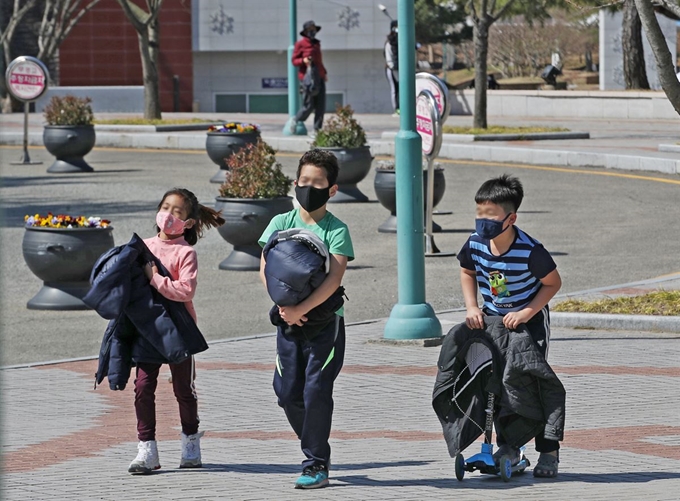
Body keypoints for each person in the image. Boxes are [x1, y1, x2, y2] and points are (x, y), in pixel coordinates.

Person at [258, 149, 354, 489]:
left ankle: (315, 462)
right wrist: (286, 307)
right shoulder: (280, 223)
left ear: (332, 190)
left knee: (315, 390)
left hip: (325, 324)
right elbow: (266, 267)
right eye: (304, 181)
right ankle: (316, 448)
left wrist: (303, 309)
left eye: (317, 182)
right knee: (286, 392)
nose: (309, 187)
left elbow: (334, 279)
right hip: (286, 321)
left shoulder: (336, 229)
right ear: (295, 183)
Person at [456, 174, 563, 479]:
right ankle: (509, 447)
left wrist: (527, 312)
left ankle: (549, 451)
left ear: (511, 218)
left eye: (491, 216)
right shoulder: (475, 243)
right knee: (498, 384)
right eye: (479, 215)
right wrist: (472, 306)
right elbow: (466, 271)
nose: (483, 222)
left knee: (534, 385)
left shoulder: (530, 250)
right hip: (493, 323)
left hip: (529, 325)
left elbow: (553, 283)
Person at [128, 188, 225, 474]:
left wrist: (155, 279)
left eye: (177, 212)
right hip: (147, 329)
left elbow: (185, 290)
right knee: (143, 387)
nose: (168, 215)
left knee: (183, 389)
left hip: (179, 330)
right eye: (165, 207)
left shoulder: (186, 252)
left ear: (189, 222)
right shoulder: (142, 247)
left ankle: (190, 443)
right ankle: (147, 449)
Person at [291, 20, 328, 134]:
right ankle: (296, 119)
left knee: (320, 105)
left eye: (314, 29)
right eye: (310, 29)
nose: (312, 32)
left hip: (319, 77)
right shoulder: (300, 44)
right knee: (309, 105)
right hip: (308, 79)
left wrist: (324, 73)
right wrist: (304, 60)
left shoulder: (317, 44)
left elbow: (319, 61)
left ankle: (317, 130)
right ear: (305, 31)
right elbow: (294, 61)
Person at [384, 20, 399, 116]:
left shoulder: (400, 38)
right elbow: (390, 55)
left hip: (399, 69)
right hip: (392, 69)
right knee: (395, 89)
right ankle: (397, 109)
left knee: (401, 89)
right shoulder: (390, 41)